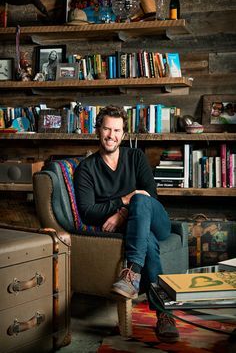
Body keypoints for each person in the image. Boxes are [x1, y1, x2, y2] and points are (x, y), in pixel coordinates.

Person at [74, 105, 179, 343]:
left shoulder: (136, 157)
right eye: (107, 129)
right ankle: (164, 314)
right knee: (148, 242)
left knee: (142, 198)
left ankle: (130, 274)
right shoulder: (87, 169)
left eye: (117, 130)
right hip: (137, 229)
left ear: (124, 133)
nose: (112, 135)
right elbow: (89, 212)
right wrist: (124, 199)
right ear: (97, 130)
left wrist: (122, 213)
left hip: (156, 219)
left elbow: (150, 194)